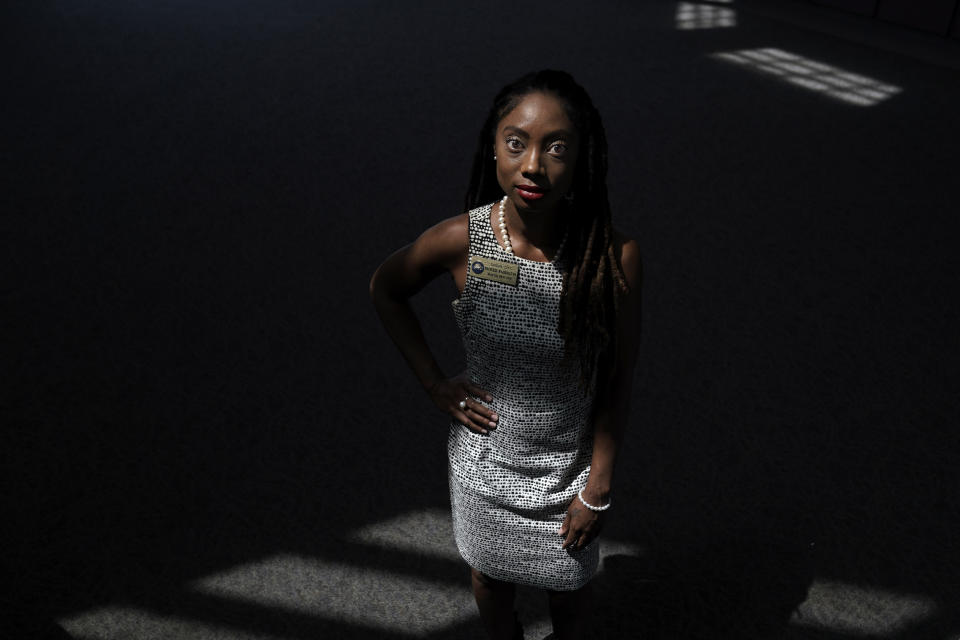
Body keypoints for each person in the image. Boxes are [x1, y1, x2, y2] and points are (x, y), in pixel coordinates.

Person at [369, 69, 642, 640]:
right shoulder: (462, 240)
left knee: (569, 595)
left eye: (556, 147)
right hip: (484, 469)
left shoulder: (612, 256)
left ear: (581, 159)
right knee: (490, 583)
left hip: (568, 469)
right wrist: (434, 383)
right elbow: (386, 288)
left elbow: (618, 375)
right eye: (515, 142)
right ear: (493, 147)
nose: (533, 165)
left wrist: (599, 486)